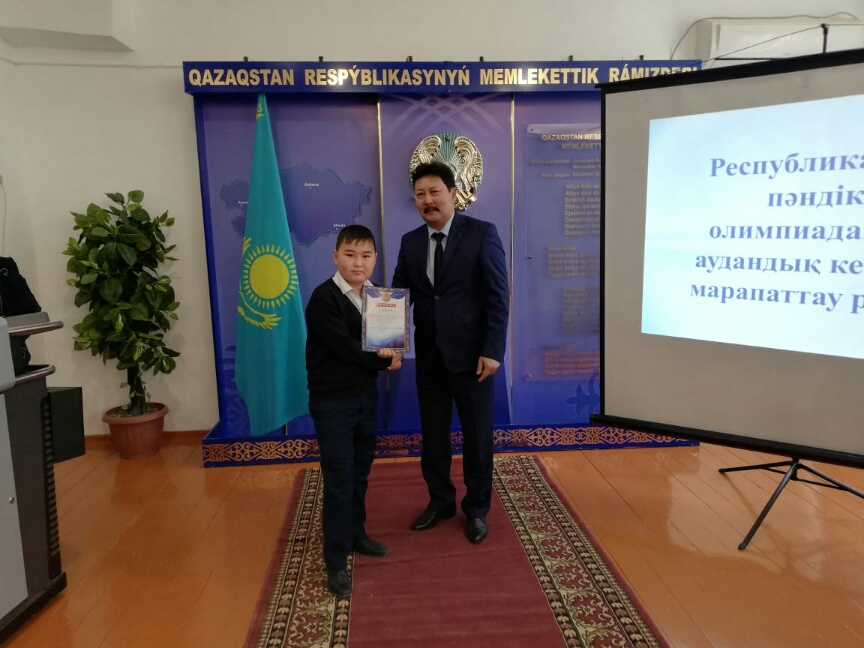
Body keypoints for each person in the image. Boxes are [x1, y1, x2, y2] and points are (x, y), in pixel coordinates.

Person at [392, 161, 509, 544]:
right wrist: (388, 344)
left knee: (477, 437)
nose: (428, 201)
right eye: (420, 195)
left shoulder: (482, 233)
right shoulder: (410, 241)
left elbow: (498, 296)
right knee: (433, 438)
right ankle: (440, 501)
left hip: (474, 359)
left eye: (435, 192)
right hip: (429, 360)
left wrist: (493, 350)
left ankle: (476, 509)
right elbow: (398, 297)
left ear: (453, 195)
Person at [305, 224, 402, 597]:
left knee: (361, 471)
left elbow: (385, 341)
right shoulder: (323, 299)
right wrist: (385, 360)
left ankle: (356, 533)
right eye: (349, 255)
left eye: (365, 256)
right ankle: (335, 560)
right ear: (335, 257)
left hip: (364, 398)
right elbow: (346, 348)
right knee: (340, 479)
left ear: (375, 258)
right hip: (332, 402)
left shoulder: (380, 298)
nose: (358, 263)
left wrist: (393, 351)